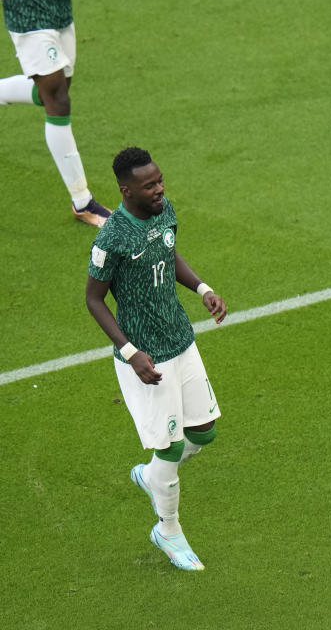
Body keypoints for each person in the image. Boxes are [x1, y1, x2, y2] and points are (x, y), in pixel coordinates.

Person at [85, 147, 226, 571]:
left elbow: (169, 252)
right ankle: (168, 530)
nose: (160, 189)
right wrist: (130, 353)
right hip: (146, 359)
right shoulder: (112, 236)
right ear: (127, 191)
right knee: (171, 447)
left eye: (160, 180)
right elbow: (93, 299)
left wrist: (203, 289)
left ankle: (151, 477)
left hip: (182, 339)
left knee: (203, 432)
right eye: (150, 186)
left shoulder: (164, 212)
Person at [0, 0, 110, 227]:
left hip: (59, 6)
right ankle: (83, 202)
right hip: (28, 15)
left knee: (50, 92)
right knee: (57, 100)